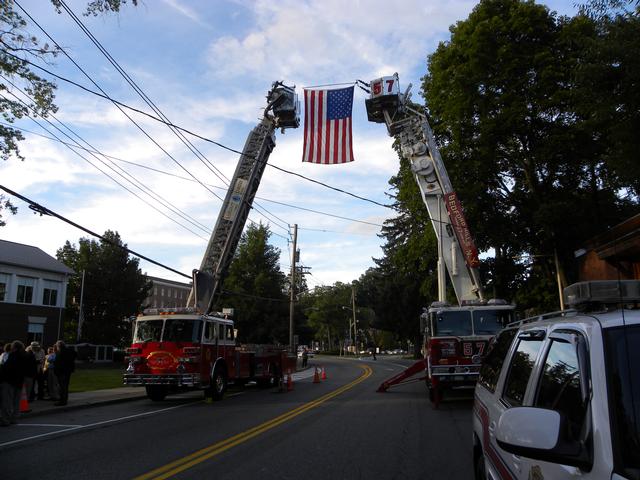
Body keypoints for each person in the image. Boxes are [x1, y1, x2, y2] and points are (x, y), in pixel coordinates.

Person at [0, 341, 28, 426]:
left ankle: (5, 420)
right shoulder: (25, 356)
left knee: (7, 402)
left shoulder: (13, 356)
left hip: (9, 381)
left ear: (15, 348)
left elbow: (7, 368)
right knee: (16, 402)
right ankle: (14, 418)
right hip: (19, 381)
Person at [53, 340, 76, 406]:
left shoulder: (60, 352)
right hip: (68, 371)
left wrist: (56, 370)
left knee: (62, 386)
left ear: (59, 346)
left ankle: (62, 401)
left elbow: (58, 363)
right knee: (65, 386)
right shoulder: (70, 351)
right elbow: (75, 354)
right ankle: (65, 399)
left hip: (62, 372)